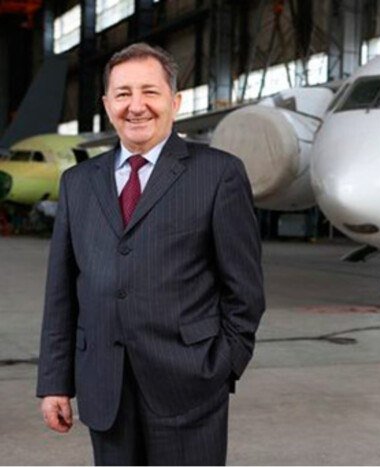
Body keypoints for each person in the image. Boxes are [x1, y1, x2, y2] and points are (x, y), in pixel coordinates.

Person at [36, 42, 265, 465]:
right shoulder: (78, 183)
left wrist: (222, 366)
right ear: (107, 104)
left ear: (174, 102)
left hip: (190, 386)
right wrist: (54, 382)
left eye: (150, 92)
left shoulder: (219, 174)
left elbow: (245, 291)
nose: (136, 106)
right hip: (104, 385)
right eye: (123, 94)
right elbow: (62, 291)